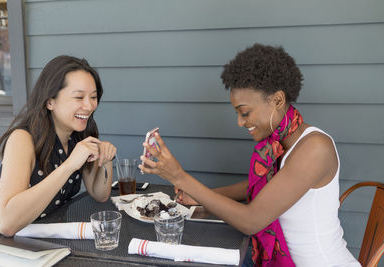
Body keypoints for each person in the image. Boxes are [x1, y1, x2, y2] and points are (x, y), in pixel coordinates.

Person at [139, 44, 360, 267]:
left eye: (244, 112)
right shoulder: (280, 142)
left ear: (277, 100)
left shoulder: (314, 148)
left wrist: (179, 176)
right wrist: (202, 198)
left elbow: (251, 220)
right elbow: (260, 189)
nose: (240, 122)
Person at [0, 55, 117, 237]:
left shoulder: (78, 135)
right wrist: (69, 165)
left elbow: (100, 194)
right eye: (79, 97)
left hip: (46, 240)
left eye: (93, 97)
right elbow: (6, 224)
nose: (89, 106)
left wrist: (106, 159)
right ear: (50, 102)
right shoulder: (23, 139)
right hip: (5, 247)